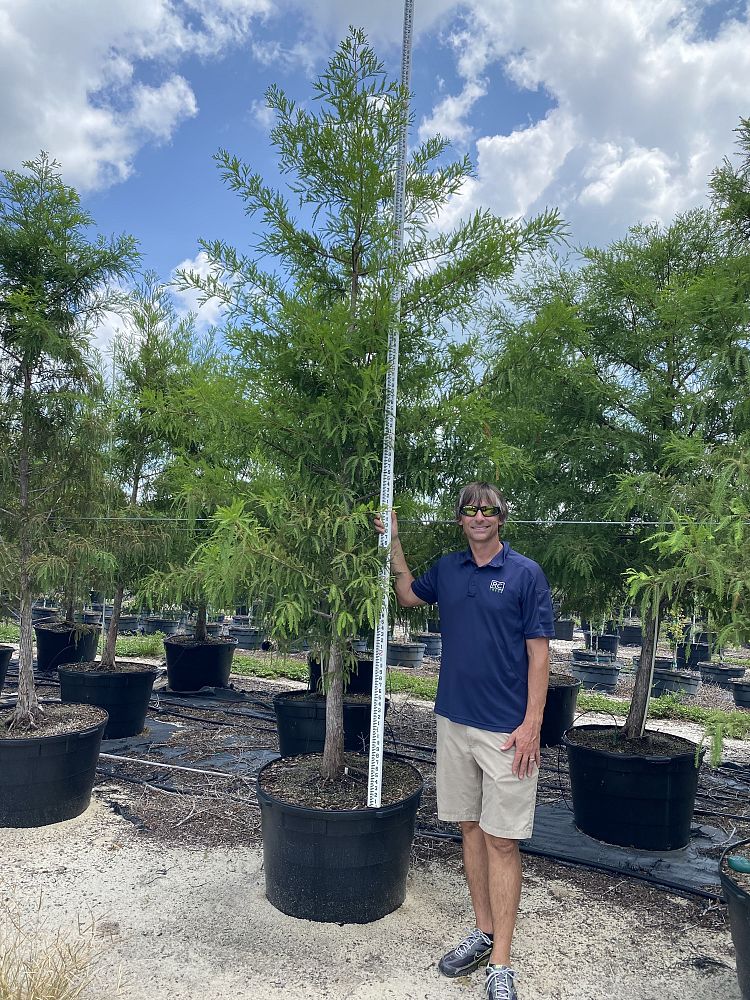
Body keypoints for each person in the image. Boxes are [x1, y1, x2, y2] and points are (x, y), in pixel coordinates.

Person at [375, 482, 554, 1000]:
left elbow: (539, 656)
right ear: (460, 519)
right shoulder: (449, 571)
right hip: (454, 723)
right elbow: (408, 594)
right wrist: (394, 542)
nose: (480, 517)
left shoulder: (525, 574)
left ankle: (501, 963)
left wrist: (532, 725)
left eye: (489, 510)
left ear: (502, 517)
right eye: (471, 510)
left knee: (503, 840)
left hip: (506, 732)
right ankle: (483, 931)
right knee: (470, 830)